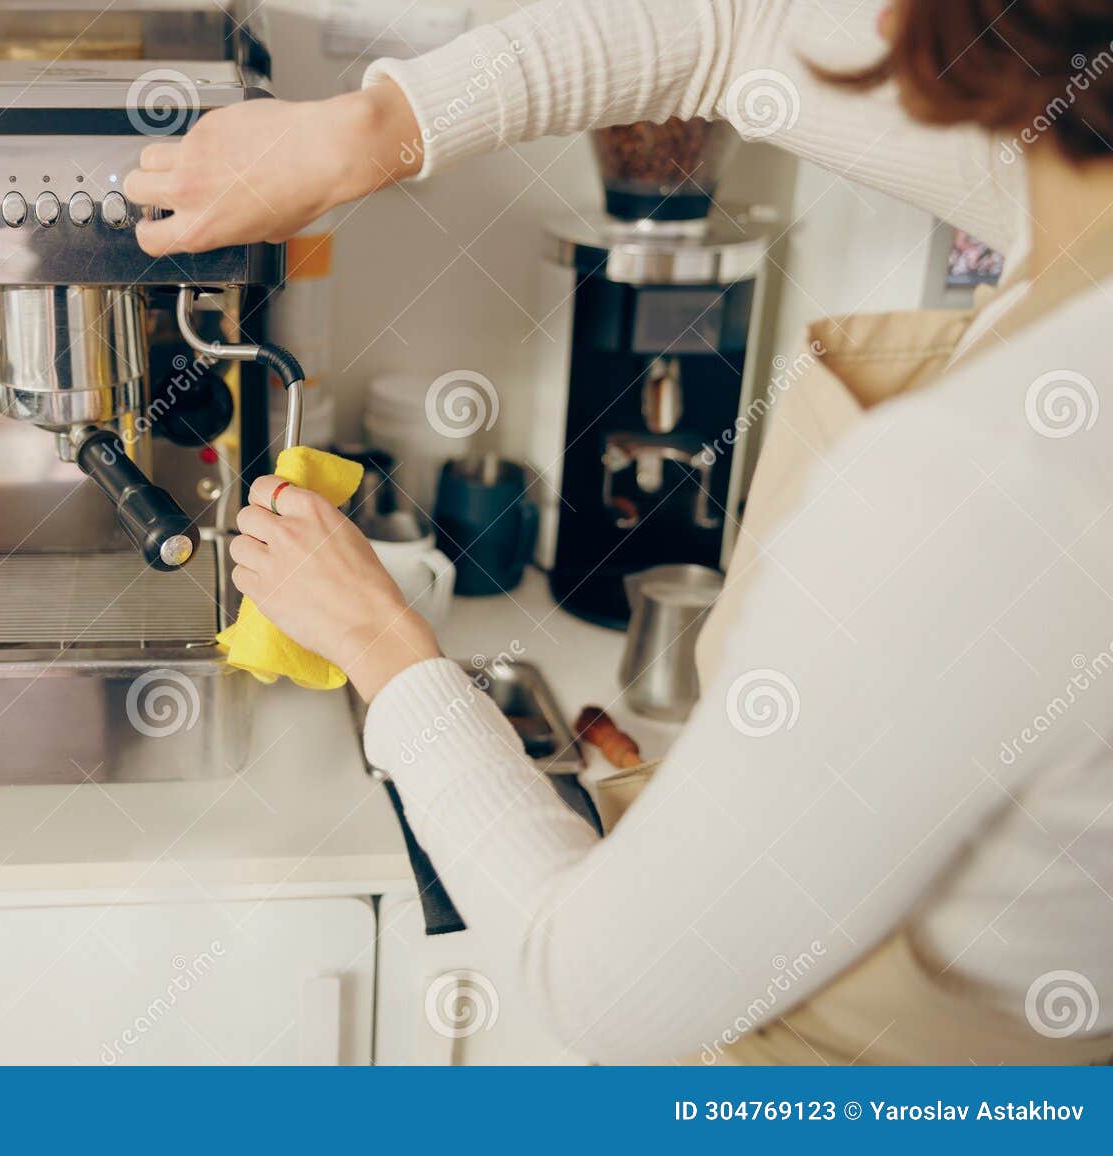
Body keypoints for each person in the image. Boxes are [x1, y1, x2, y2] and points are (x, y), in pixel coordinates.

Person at [125, 0, 1113, 1064]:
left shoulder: (998, 478)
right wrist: (367, 130)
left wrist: (379, 643)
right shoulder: (1066, 195)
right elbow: (733, 34)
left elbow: (594, 997)